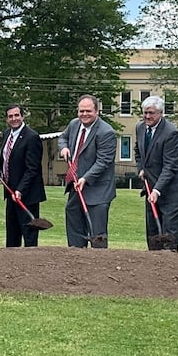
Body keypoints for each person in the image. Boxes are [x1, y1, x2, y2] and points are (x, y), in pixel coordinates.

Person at [58, 94, 116, 248]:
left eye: (88, 111)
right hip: (76, 187)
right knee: (75, 230)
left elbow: (103, 162)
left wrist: (86, 178)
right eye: (81, 111)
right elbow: (62, 138)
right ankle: (77, 262)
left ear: (97, 111)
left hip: (98, 191)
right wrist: (63, 147)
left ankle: (99, 266)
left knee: (97, 236)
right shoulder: (74, 124)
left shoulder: (106, 132)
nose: (84, 114)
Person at [0, 104, 46, 247]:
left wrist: (20, 189)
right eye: (10, 116)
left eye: (16, 115)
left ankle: (31, 264)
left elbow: (33, 169)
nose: (14, 119)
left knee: (28, 233)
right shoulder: (6, 134)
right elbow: (6, 157)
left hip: (27, 194)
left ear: (22, 116)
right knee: (12, 233)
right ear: (6, 119)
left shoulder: (32, 137)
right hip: (10, 191)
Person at [135, 96, 178, 251]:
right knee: (153, 235)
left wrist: (157, 190)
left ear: (161, 113)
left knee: (168, 237)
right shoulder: (140, 128)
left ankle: (169, 270)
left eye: (151, 113)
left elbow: (171, 166)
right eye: (145, 113)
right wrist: (141, 168)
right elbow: (138, 151)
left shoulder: (171, 133)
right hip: (150, 188)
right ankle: (154, 269)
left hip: (170, 193)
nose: (147, 116)